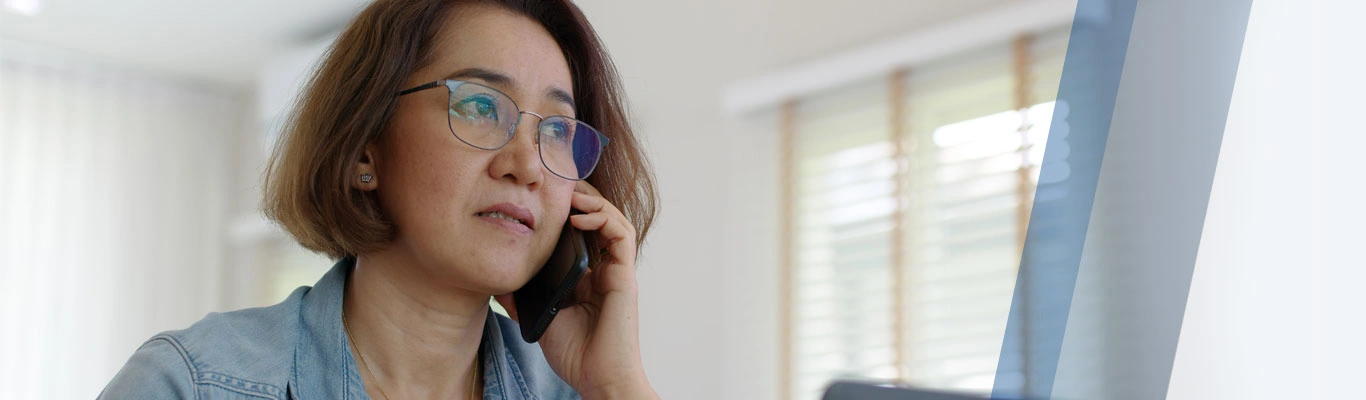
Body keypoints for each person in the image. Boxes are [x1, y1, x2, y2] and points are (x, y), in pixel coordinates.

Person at [99, 0, 659, 398]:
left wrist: (615, 386)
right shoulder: (190, 384)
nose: (527, 165)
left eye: (557, 130)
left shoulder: (576, 392)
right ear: (366, 147)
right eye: (481, 107)